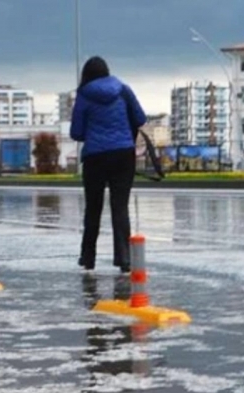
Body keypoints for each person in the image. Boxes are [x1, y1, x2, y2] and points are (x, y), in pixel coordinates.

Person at [70, 56, 146, 273]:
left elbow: (76, 132)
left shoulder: (84, 95)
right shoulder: (123, 89)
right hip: (123, 154)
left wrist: (93, 132)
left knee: (93, 208)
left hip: (95, 156)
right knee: (120, 206)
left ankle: (88, 257)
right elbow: (140, 118)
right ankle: (124, 259)